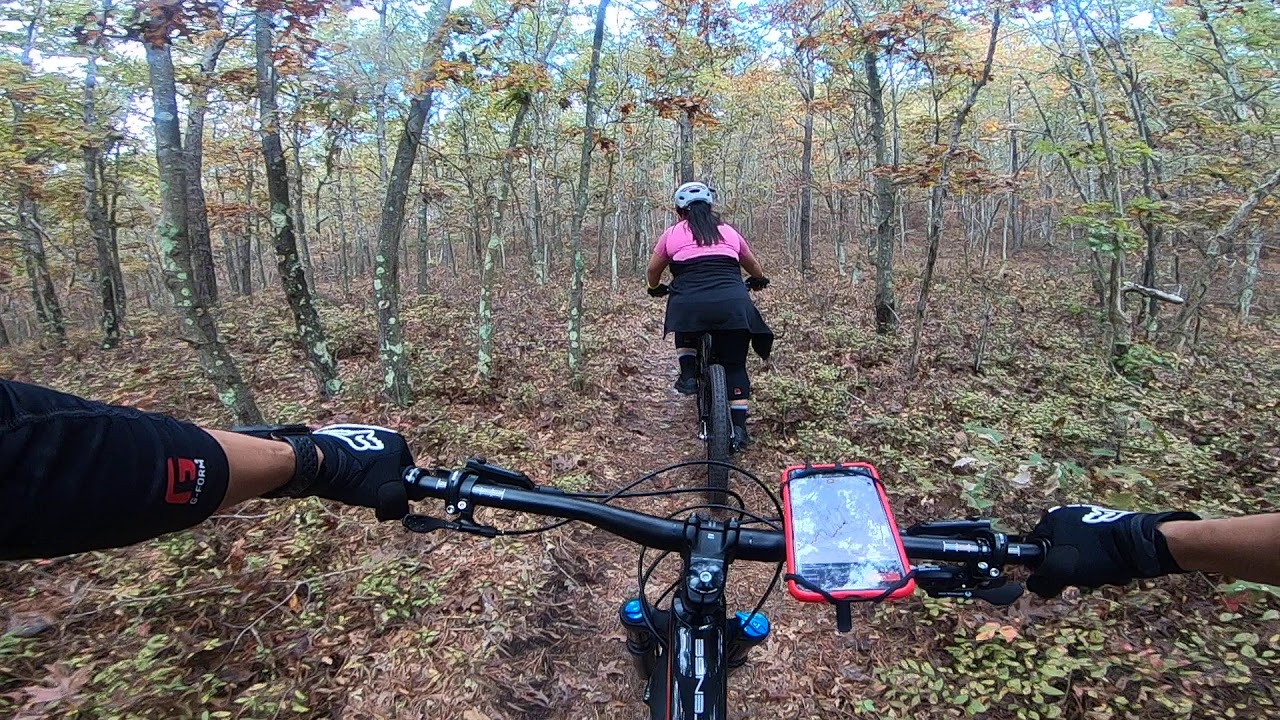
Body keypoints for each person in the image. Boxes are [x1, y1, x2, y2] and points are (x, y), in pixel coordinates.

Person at [2, 378, 1277, 593]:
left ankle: (697, 387)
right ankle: (725, 386)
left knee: (696, 347)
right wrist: (1148, 544)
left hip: (694, 311)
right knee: (732, 341)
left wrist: (314, 462)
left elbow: (46, 450)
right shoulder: (716, 236)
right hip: (738, 311)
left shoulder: (680, 240)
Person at [645, 181, 772, 450]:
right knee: (735, 366)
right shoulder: (728, 231)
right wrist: (759, 279)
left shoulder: (671, 234)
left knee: (685, 315)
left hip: (690, 304)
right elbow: (752, 265)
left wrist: (654, 288)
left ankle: (688, 375)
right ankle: (738, 430)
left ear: (679, 212)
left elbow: (653, 271)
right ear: (711, 207)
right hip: (733, 305)